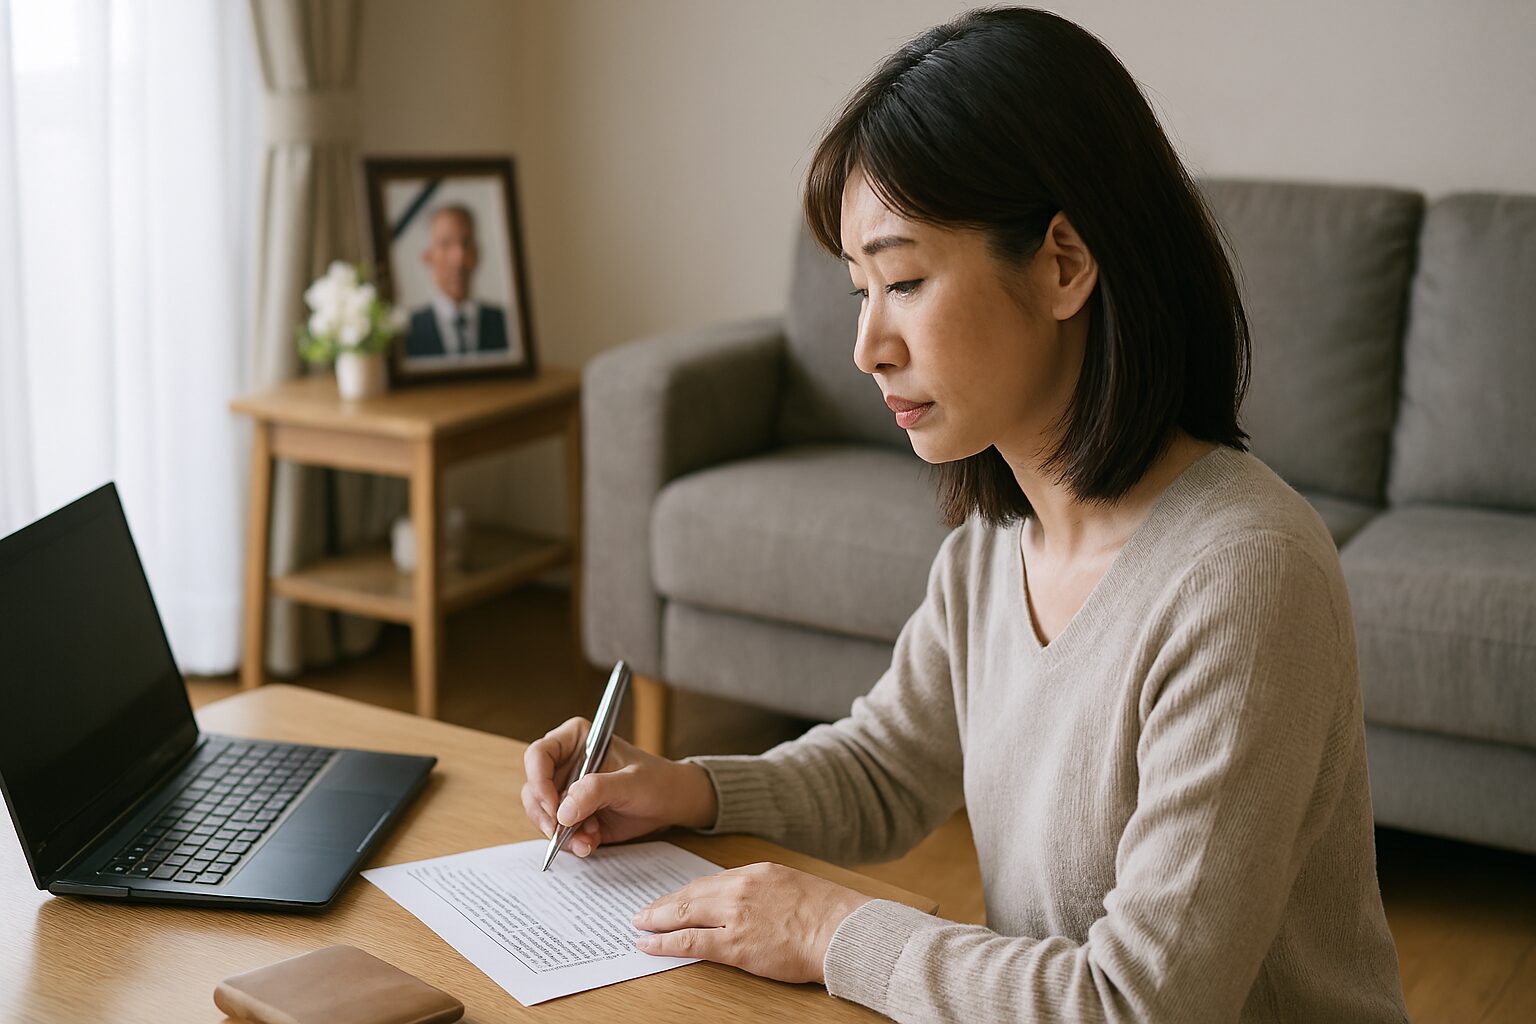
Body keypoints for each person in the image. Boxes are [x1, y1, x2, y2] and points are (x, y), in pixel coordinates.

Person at [521, 7, 1409, 1021]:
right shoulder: (999, 541)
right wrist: (691, 788)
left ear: (1065, 263)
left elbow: (1134, 1003)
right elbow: (886, 767)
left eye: (903, 280)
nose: (867, 346)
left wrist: (824, 927)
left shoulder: (1246, 579)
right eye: (860, 289)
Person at [404, 203, 511, 359]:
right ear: (427, 256)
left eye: (466, 243)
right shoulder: (407, 332)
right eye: (445, 244)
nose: (459, 257)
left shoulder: (508, 325)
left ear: (477, 253)